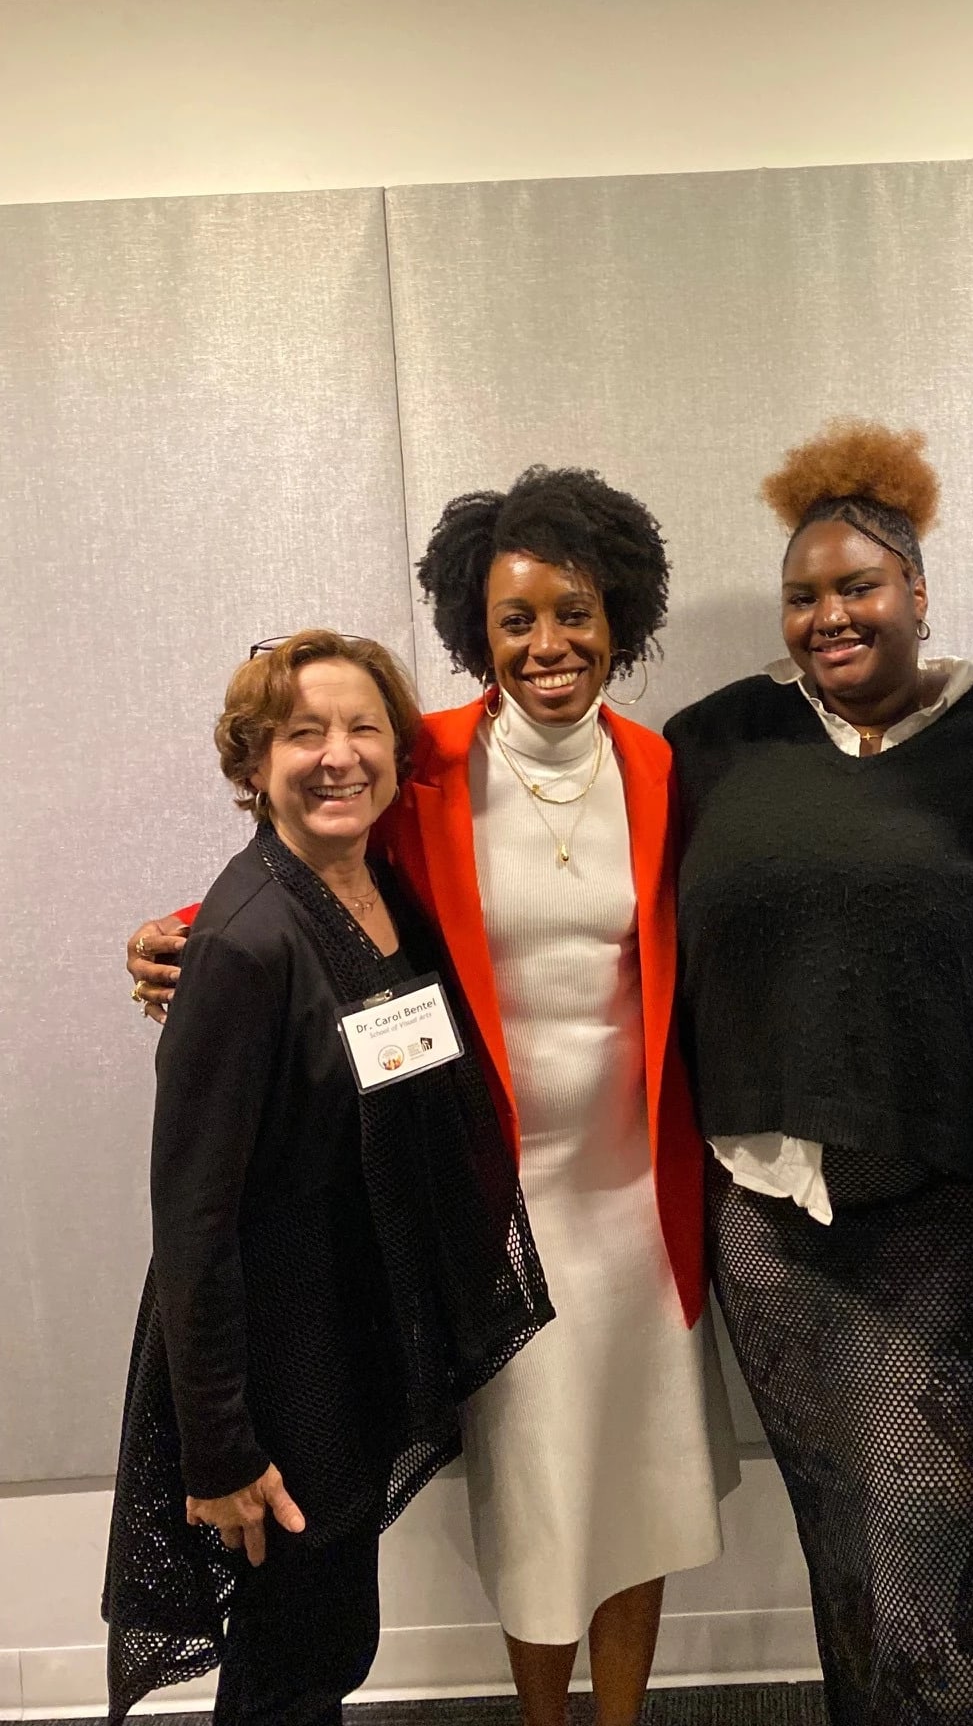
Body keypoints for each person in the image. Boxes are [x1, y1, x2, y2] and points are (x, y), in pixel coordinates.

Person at [127, 470, 736, 1726]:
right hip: (495, 1204)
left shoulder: (662, 769)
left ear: (620, 611)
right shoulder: (429, 766)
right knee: (539, 1503)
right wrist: (184, 935)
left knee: (646, 1493)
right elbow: (313, 873)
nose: (547, 644)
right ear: (476, 631)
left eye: (573, 611)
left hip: (638, 1199)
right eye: (515, 619)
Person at [664, 421, 973, 1725]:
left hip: (957, 1203)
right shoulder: (713, 741)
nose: (829, 615)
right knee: (843, 1538)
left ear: (916, 591)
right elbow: (553, 889)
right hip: (770, 1211)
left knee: (923, 1546)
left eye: (859, 587)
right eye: (804, 594)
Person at [105, 630, 552, 1726]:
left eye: (363, 729)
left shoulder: (375, 886)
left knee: (330, 1641)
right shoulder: (249, 940)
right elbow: (193, 1222)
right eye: (303, 734)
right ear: (253, 765)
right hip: (274, 1378)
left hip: (349, 1343)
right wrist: (220, 1451)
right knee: (292, 1669)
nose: (338, 755)